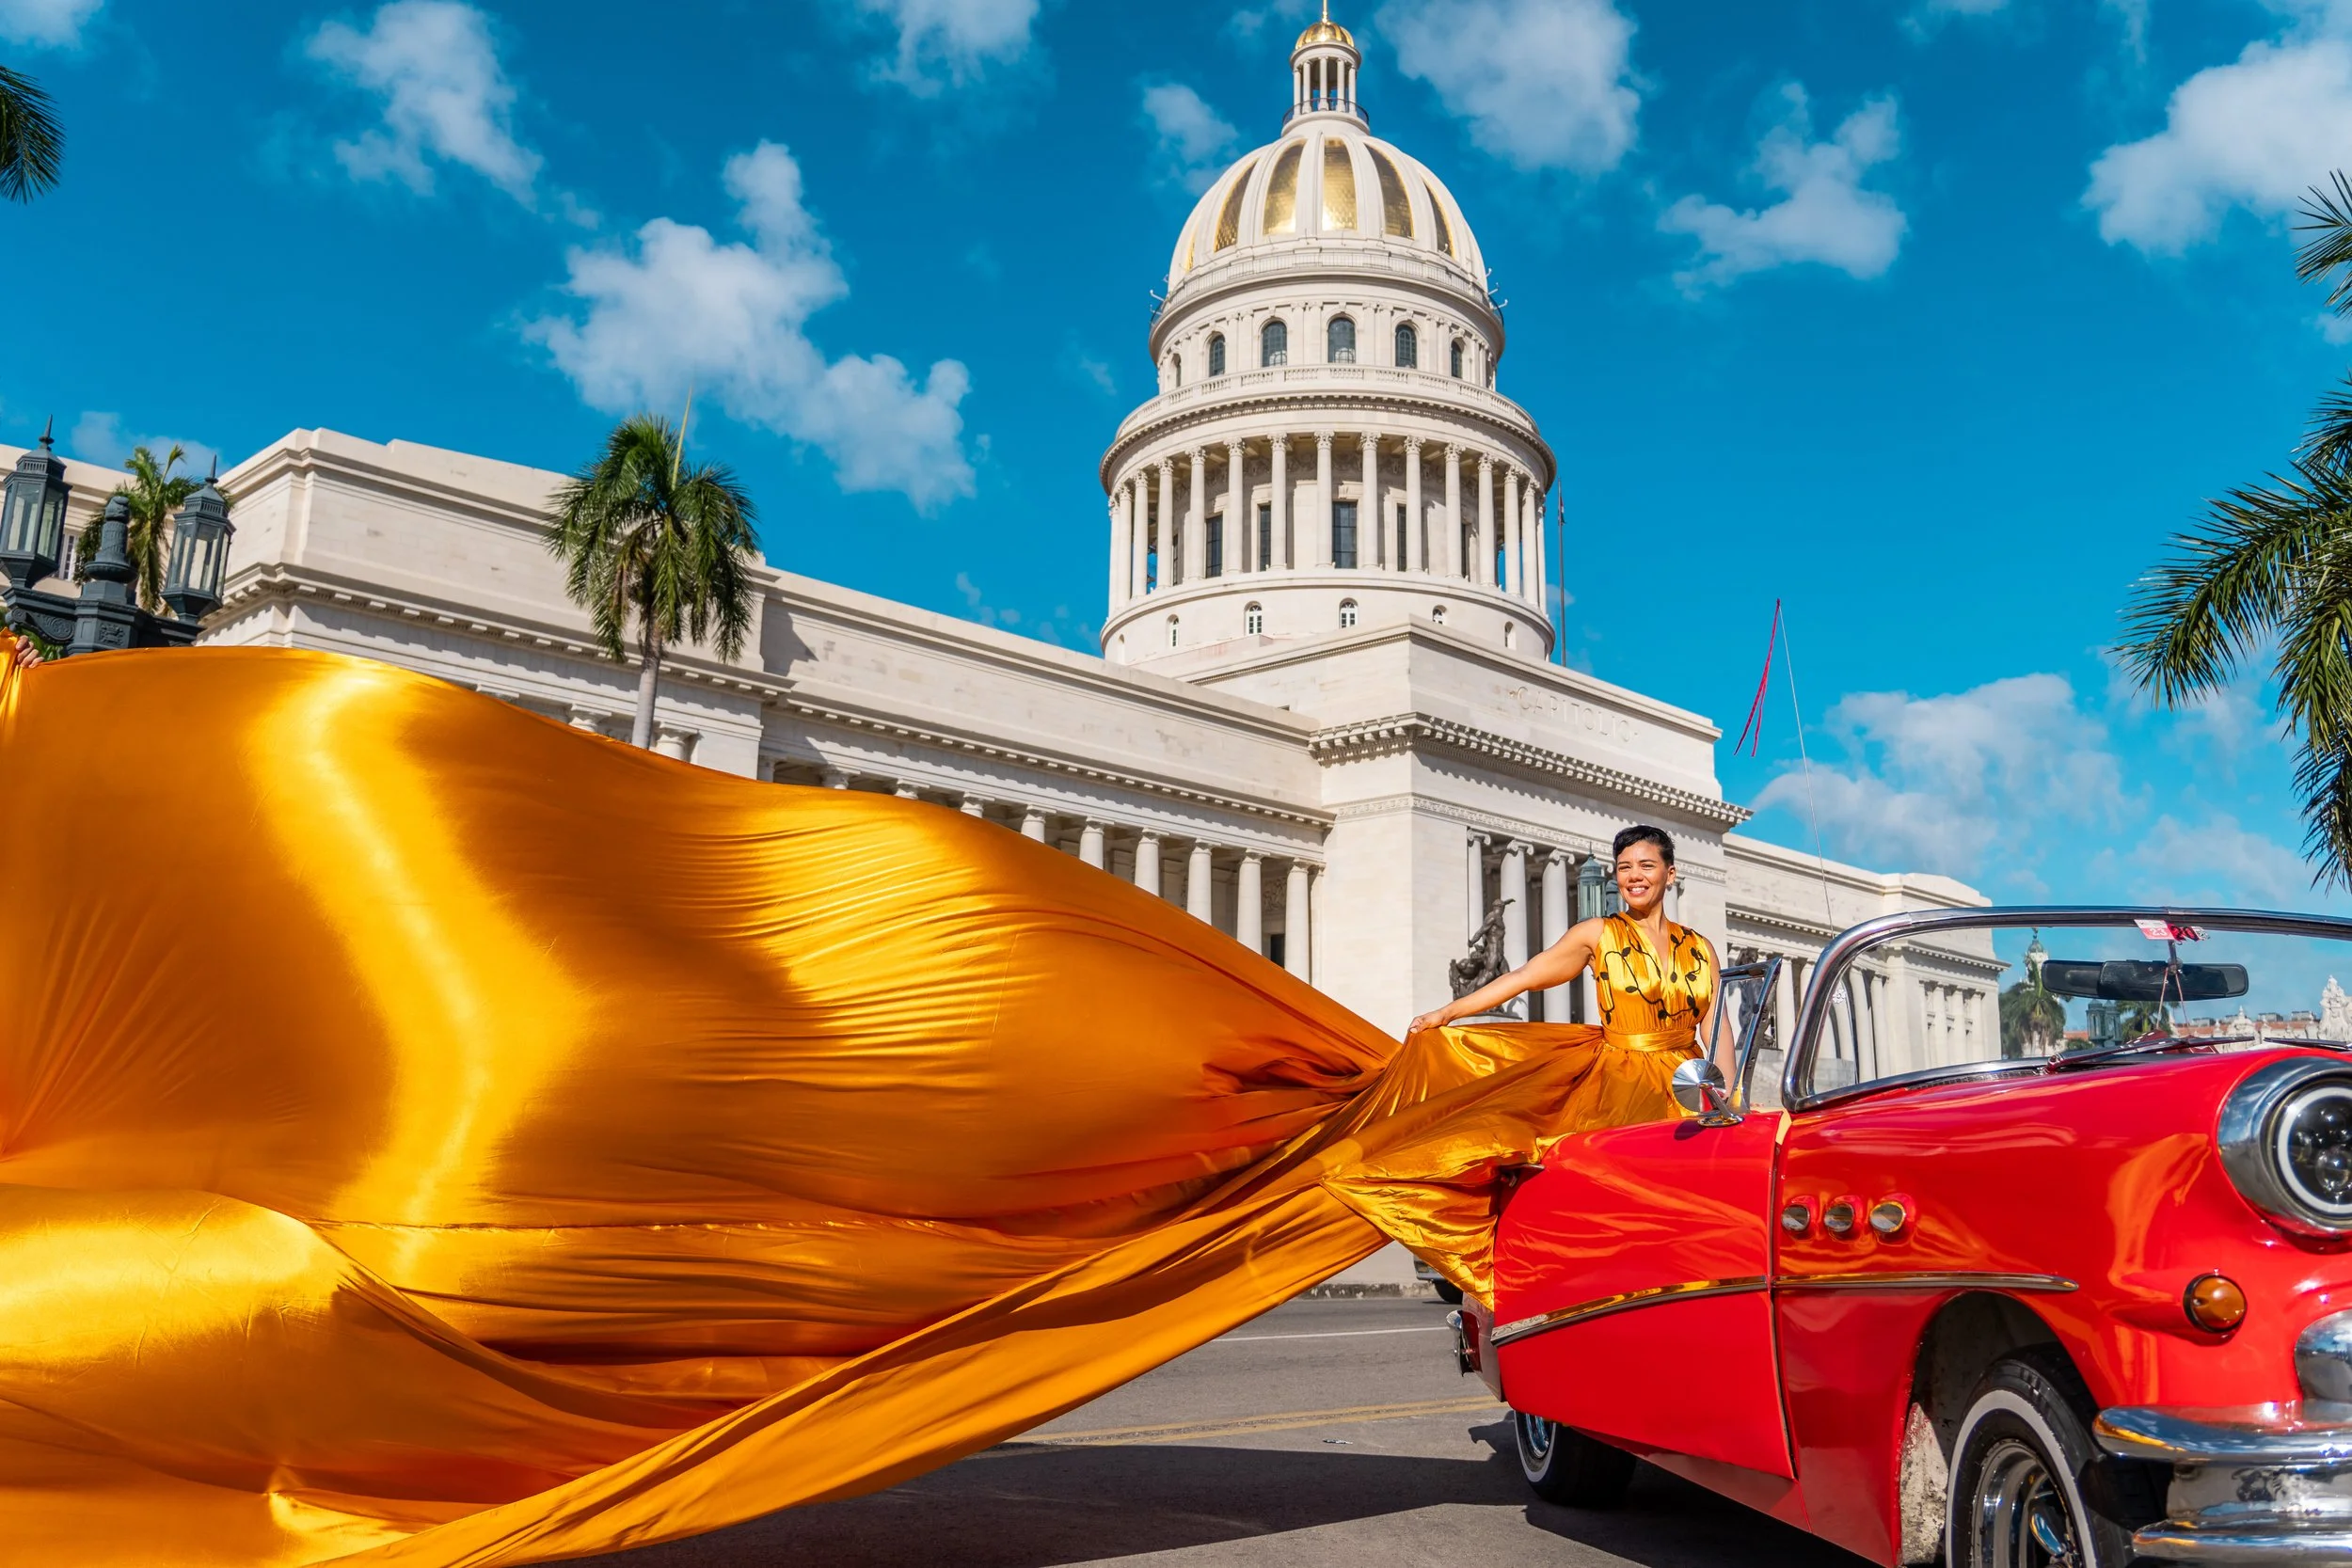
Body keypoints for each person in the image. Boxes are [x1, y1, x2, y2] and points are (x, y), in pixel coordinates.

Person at [1405, 824, 1734, 1130]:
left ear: (1670, 873)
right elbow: (1525, 976)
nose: (1634, 876)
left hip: (1688, 1084)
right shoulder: (1597, 934)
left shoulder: (1700, 947)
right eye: (1624, 867)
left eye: (1646, 866)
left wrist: (1732, 1102)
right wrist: (1447, 1013)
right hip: (1623, 1083)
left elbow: (1717, 1031)